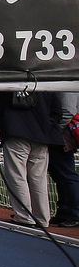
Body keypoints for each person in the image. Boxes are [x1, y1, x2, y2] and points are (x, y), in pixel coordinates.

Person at [0, 88, 63, 228]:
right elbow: (57, 111)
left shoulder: (9, 80)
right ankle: (42, 217)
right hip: (41, 136)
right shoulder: (44, 82)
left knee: (16, 176)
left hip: (16, 133)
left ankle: (24, 216)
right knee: (39, 178)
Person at [50, 91, 79, 228]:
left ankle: (74, 213)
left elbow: (68, 112)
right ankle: (65, 211)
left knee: (66, 174)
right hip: (61, 135)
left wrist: (53, 131)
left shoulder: (66, 87)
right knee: (60, 175)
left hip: (61, 136)